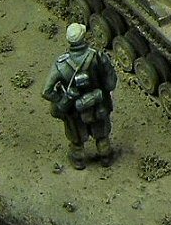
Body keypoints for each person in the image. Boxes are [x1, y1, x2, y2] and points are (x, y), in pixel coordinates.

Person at [42, 23, 117, 169]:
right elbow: (110, 84)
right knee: (102, 136)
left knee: (76, 138)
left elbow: (46, 91)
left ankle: (79, 160)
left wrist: (63, 99)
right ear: (83, 38)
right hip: (97, 105)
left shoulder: (61, 65)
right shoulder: (98, 57)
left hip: (74, 110)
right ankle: (106, 157)